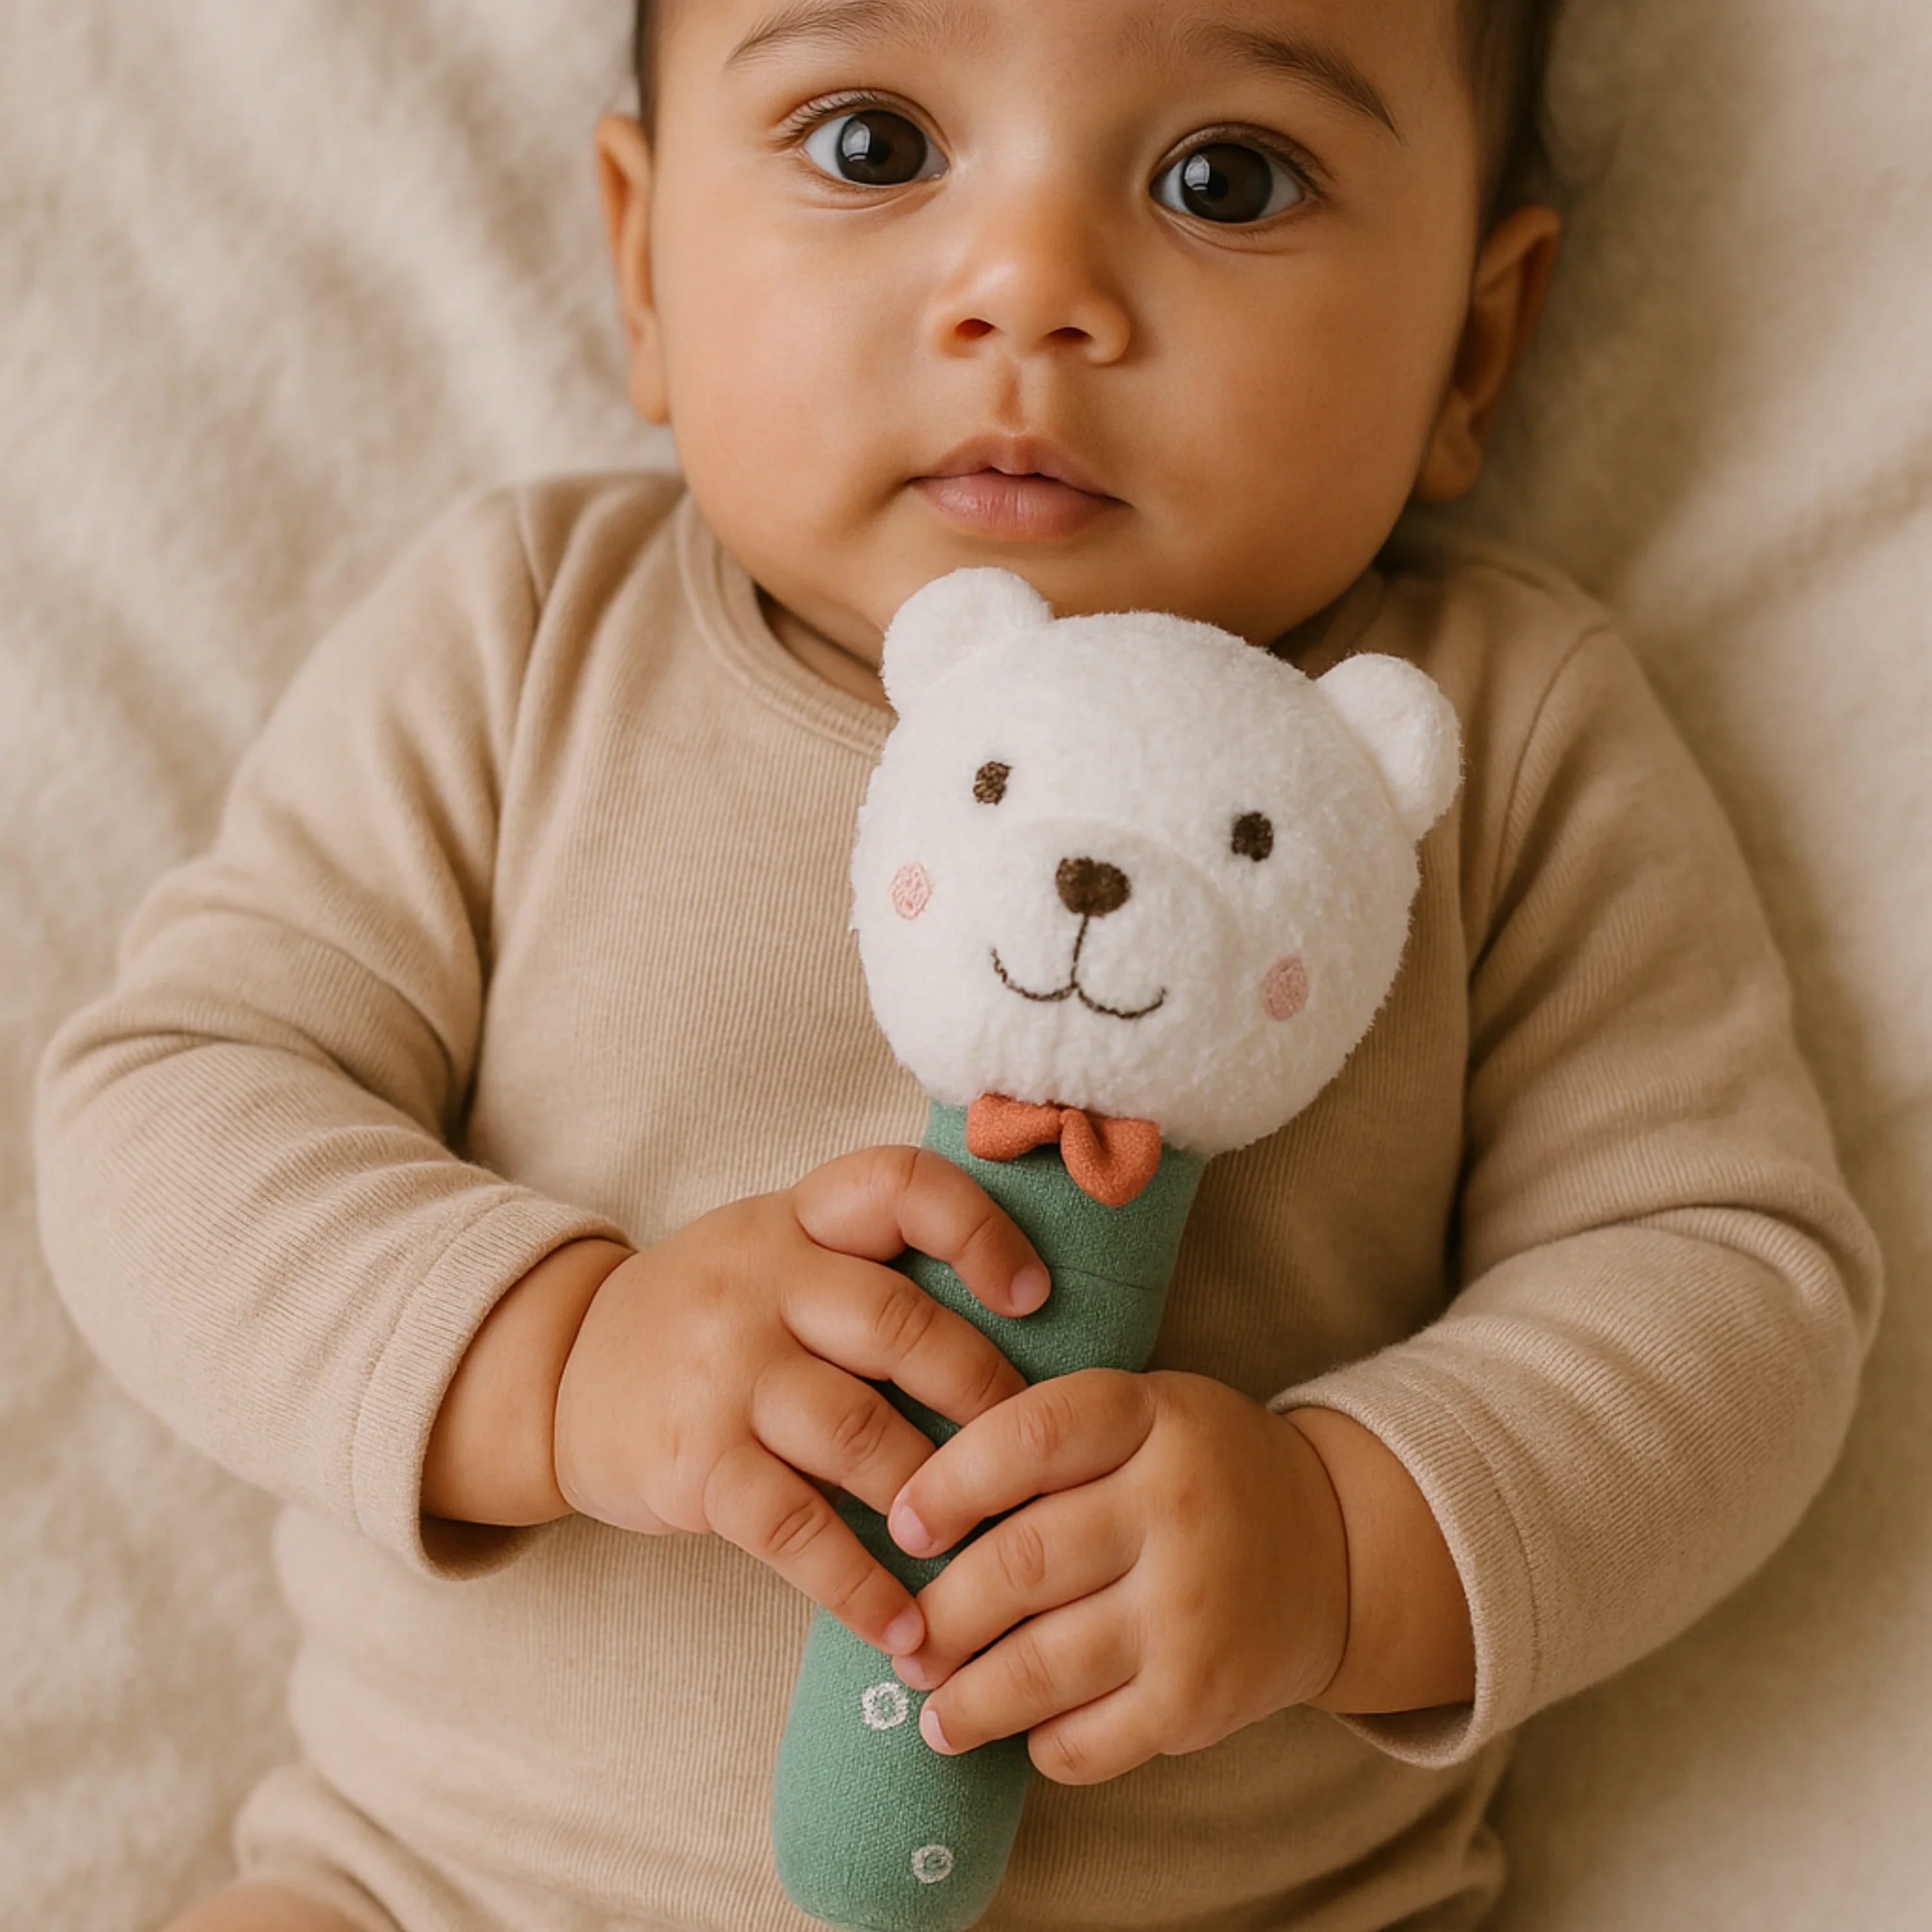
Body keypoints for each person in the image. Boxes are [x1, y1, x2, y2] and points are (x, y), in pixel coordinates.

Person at [33, 0, 1880, 1927]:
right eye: (872, 146)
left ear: (1473, 345)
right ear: (644, 262)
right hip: (439, 1893)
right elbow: (168, 1116)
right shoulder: (524, 648)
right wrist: (557, 1356)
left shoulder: (1487, 741)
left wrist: (1347, 1540)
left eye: (1223, 177)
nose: (1030, 289)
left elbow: (1730, 1289)